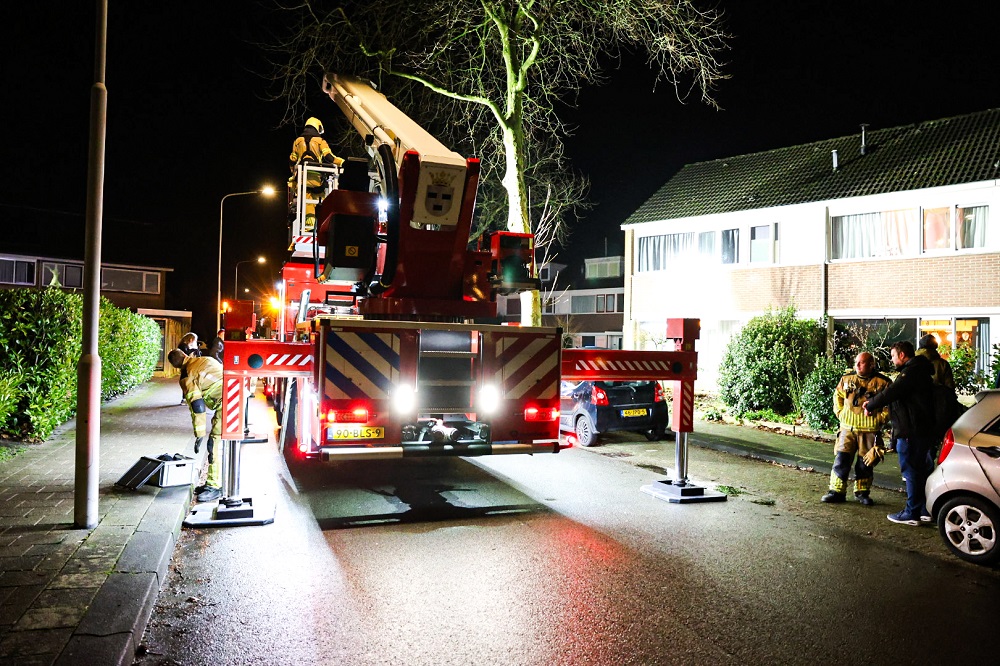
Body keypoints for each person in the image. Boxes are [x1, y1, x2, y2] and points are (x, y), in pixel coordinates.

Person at [863, 340, 935, 526]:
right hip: (922, 429)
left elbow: (892, 392)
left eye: (894, 356)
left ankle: (912, 512)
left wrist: (870, 405)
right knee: (922, 470)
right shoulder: (921, 370)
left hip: (911, 430)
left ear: (902, 355)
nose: (893, 360)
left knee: (911, 471)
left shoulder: (911, 372)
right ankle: (923, 509)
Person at [822, 352, 890, 506]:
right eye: (856, 362)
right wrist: (840, 413)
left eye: (862, 362)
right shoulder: (846, 379)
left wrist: (880, 419)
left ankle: (862, 492)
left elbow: (890, 405)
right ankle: (836, 491)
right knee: (841, 459)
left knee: (865, 463)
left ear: (871, 365)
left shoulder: (883, 382)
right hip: (847, 428)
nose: (857, 365)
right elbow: (837, 396)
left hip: (869, 430)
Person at [167, 349, 224, 503]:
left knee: (215, 444)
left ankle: (215, 486)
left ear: (175, 367)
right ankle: (215, 482)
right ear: (185, 355)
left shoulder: (187, 377)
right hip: (234, 395)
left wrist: (199, 435)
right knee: (219, 443)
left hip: (227, 402)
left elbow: (197, 406)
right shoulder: (205, 359)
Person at [288, 117, 344, 231]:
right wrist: (343, 162)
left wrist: (293, 173)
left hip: (302, 179)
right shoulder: (320, 141)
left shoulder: (297, 141)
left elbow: (292, 159)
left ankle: (309, 226)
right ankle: (324, 225)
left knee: (307, 200)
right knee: (322, 199)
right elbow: (329, 157)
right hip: (316, 178)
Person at [176, 332, 200, 403]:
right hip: (184, 365)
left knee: (187, 380)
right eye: (194, 340)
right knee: (186, 381)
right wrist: (194, 349)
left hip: (185, 365)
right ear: (191, 339)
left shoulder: (184, 345)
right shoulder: (183, 346)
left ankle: (186, 397)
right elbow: (186, 353)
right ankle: (184, 398)